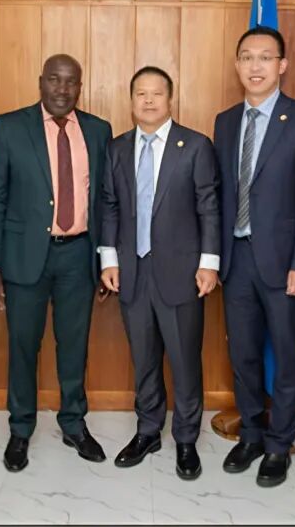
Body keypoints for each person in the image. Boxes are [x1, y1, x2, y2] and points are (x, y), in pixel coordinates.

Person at [0, 54, 112, 473]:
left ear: (80, 88)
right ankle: (21, 428)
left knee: (74, 345)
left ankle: (73, 423)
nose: (62, 89)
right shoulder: (9, 127)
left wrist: (106, 258)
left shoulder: (99, 131)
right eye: (54, 79)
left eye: (71, 82)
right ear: (41, 82)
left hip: (79, 255)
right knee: (23, 345)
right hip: (24, 257)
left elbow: (106, 202)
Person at [212, 25, 295, 488]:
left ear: (282, 65)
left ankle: (280, 444)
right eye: (247, 57)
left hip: (285, 263)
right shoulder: (225, 121)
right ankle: (252, 433)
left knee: (287, 353)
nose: (255, 66)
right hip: (236, 258)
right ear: (237, 65)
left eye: (265, 57)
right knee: (242, 354)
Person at [98, 66, 220, 481]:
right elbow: (110, 205)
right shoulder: (117, 148)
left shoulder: (196, 146)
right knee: (144, 358)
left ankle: (186, 438)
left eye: (156, 94)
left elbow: (208, 207)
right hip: (132, 271)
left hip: (183, 272)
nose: (148, 101)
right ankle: (148, 431)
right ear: (131, 100)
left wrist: (209, 263)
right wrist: (108, 259)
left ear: (170, 99)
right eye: (141, 94)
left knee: (185, 361)